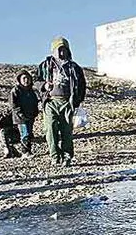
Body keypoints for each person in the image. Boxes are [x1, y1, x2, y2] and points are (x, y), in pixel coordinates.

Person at [35, 36, 87, 166]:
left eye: (64, 49)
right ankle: (55, 156)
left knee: (66, 131)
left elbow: (81, 85)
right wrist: (43, 86)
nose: (61, 52)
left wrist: (77, 102)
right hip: (50, 102)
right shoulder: (45, 66)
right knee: (50, 129)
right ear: (53, 51)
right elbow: (36, 82)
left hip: (67, 103)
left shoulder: (74, 68)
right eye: (58, 49)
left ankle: (67, 156)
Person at [9, 69, 39, 157]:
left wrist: (35, 112)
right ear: (19, 80)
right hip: (21, 118)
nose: (26, 80)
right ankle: (25, 152)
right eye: (24, 78)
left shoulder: (31, 91)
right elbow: (13, 105)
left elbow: (35, 102)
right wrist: (21, 114)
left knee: (29, 134)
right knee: (25, 134)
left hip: (30, 116)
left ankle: (28, 150)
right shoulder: (15, 91)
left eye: (28, 78)